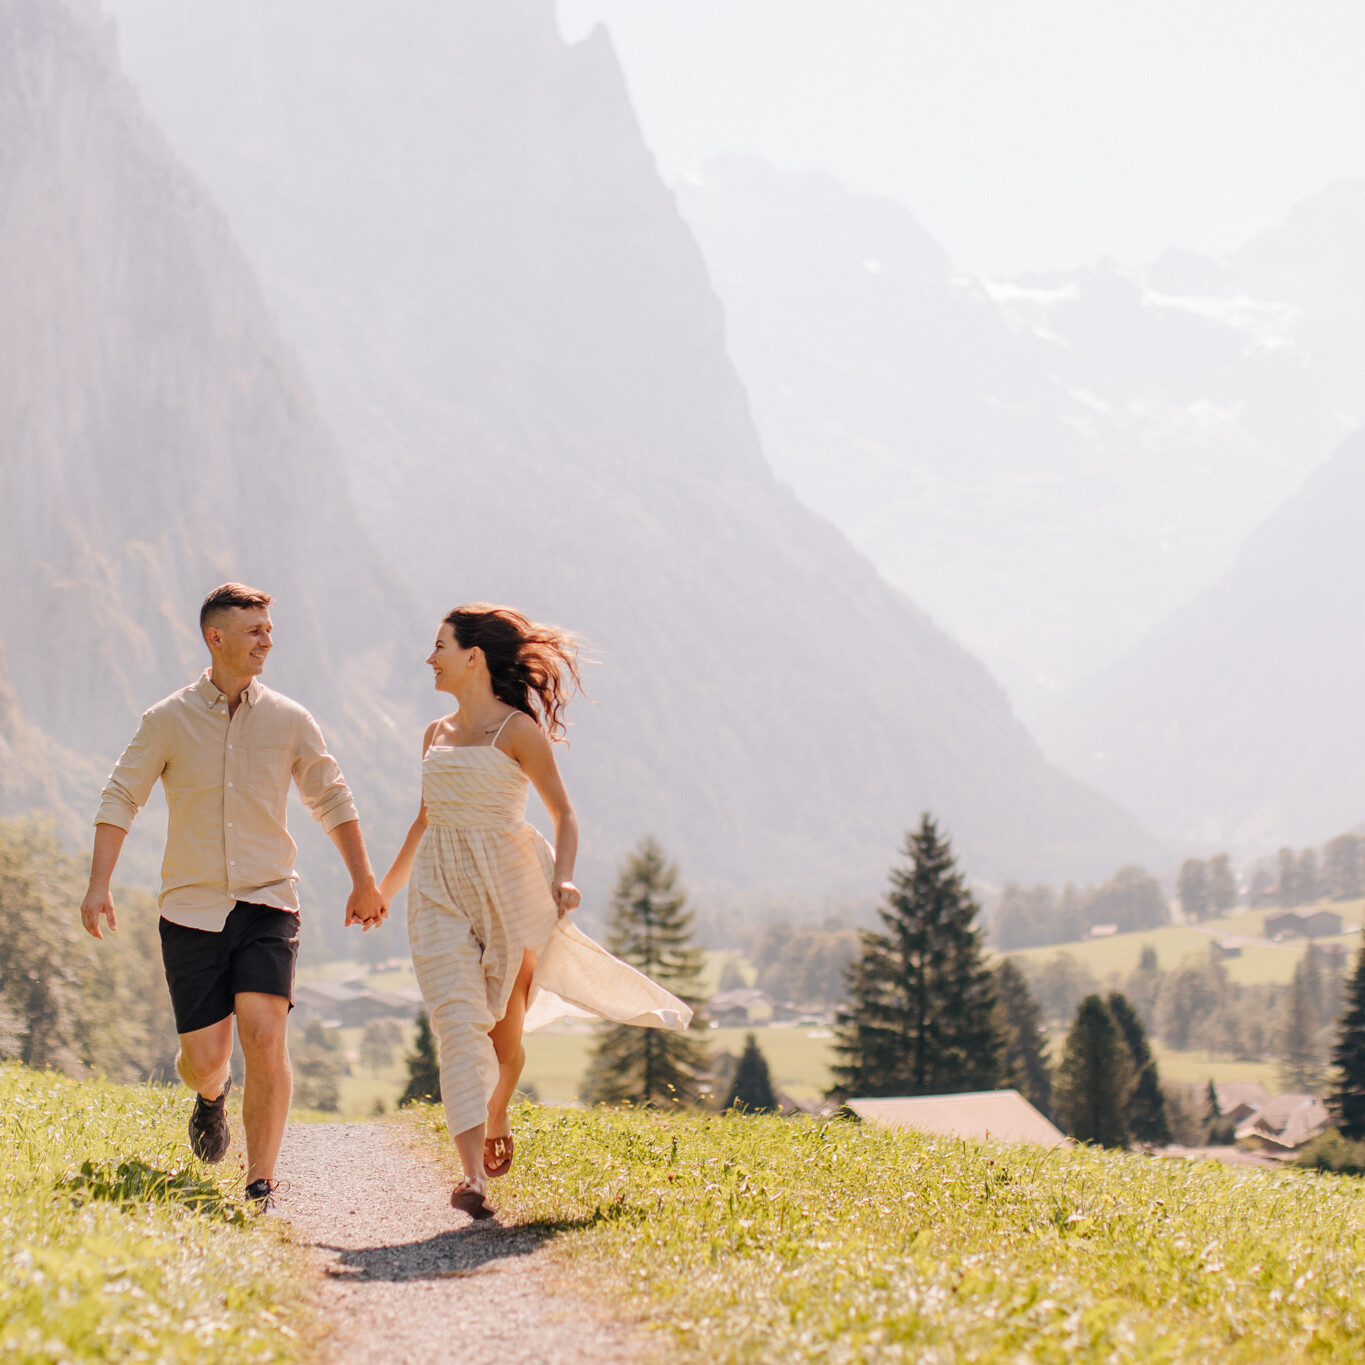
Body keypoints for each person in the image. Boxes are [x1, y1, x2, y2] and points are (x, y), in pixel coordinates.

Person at [79, 583, 387, 1209]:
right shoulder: (165, 720)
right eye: (254, 630)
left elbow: (331, 797)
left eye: (269, 629)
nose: (267, 640)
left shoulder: (290, 719)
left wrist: (363, 879)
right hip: (190, 909)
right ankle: (210, 1095)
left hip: (269, 902)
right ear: (215, 638)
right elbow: (120, 796)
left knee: (266, 1034)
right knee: (206, 1059)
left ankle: (260, 1180)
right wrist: (98, 883)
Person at [379, 604, 692, 1219]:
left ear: (474, 657)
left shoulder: (519, 732)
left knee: (504, 1036)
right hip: (440, 887)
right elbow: (424, 818)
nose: (429, 656)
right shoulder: (434, 735)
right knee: (457, 1023)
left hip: (511, 888)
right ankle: (473, 1179)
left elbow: (564, 814)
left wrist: (566, 876)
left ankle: (495, 1112)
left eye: (439, 645)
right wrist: (382, 892)